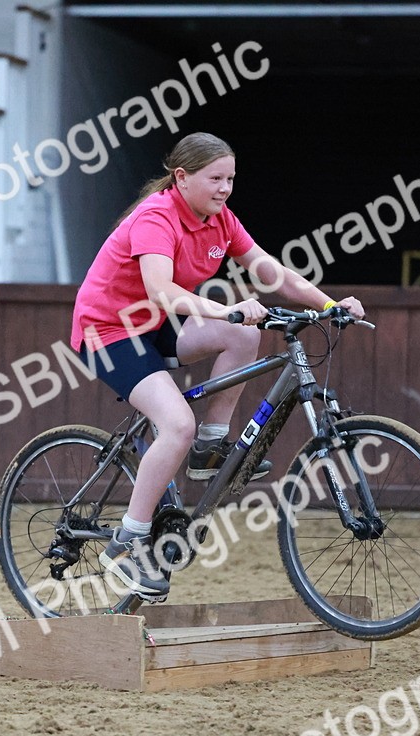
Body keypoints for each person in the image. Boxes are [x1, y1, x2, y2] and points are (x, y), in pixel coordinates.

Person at [70, 132, 366, 600]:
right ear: (182, 178)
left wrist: (329, 304)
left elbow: (274, 274)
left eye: (230, 178)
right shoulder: (156, 216)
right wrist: (221, 307)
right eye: (215, 178)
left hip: (155, 326)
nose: (225, 187)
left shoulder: (220, 220)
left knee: (245, 332)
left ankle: (211, 449)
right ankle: (126, 543)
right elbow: (160, 291)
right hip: (108, 332)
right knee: (175, 426)